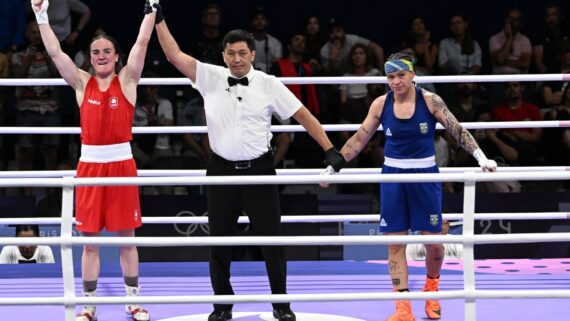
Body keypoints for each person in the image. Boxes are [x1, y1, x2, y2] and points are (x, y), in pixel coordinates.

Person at [154, 4, 343, 320]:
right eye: (231, 53)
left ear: (253, 54)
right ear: (224, 55)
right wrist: (158, 18)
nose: (237, 59)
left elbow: (303, 115)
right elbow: (174, 54)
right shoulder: (209, 76)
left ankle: (281, 306)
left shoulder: (269, 83)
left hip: (260, 170)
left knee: (272, 241)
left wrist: (329, 149)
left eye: (242, 53)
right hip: (220, 170)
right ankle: (222, 306)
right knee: (219, 244)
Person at [327, 51, 496, 321]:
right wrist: (334, 165)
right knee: (395, 245)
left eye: (400, 76)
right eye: (390, 77)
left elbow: (457, 130)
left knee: (434, 245)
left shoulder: (430, 101)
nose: (395, 82)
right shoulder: (381, 104)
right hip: (393, 176)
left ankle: (431, 290)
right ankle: (403, 306)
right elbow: (359, 139)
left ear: (413, 75)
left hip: (425, 176)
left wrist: (481, 158)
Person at [31, 0, 157, 320]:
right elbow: (56, 52)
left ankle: (134, 300)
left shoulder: (128, 80)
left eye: (106, 52)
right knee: (90, 244)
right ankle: (88, 305)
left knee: (127, 241)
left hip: (122, 166)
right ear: (90, 57)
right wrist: (41, 15)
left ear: (116, 56)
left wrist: (152, 8)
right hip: (89, 167)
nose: (100, 56)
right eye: (95, 52)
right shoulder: (81, 82)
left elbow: (142, 41)